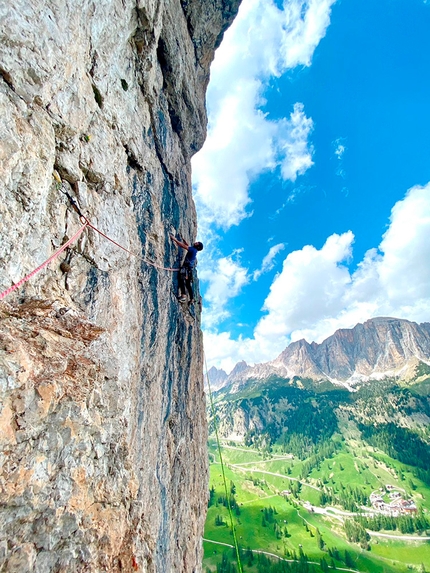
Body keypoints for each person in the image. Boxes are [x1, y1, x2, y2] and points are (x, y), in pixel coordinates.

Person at [170, 234, 203, 304]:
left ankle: (183, 296)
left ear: (198, 246)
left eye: (197, 243)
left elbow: (183, 246)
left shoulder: (193, 250)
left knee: (181, 279)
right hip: (189, 269)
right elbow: (187, 245)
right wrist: (183, 239)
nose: (196, 242)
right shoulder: (194, 250)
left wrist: (174, 239)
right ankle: (192, 298)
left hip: (186, 268)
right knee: (188, 284)